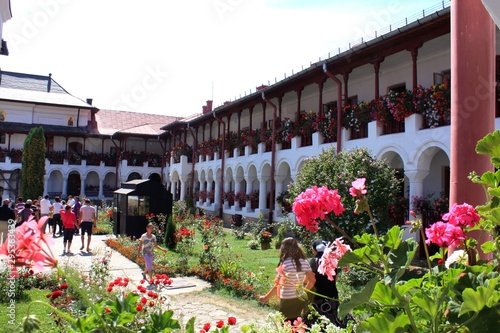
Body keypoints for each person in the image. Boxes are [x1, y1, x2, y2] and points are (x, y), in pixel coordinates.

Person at [259, 237, 316, 322]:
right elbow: (312, 280)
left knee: (286, 325)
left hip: (286, 299)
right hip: (299, 299)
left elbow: (278, 285)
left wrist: (266, 297)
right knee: (297, 324)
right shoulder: (304, 261)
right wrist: (303, 292)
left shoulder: (285, 263)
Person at [308, 239, 341, 325]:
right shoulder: (332, 260)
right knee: (332, 322)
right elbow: (336, 278)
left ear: (315, 249)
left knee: (318, 323)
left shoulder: (314, 261)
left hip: (317, 296)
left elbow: (311, 280)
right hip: (332, 295)